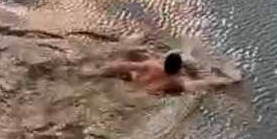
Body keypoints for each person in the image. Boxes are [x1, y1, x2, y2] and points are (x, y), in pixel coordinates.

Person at [101, 50, 241, 96]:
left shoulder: (151, 65)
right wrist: (231, 80)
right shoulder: (176, 82)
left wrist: (104, 69)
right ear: (179, 69)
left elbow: (124, 65)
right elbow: (206, 83)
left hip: (132, 83)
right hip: (145, 95)